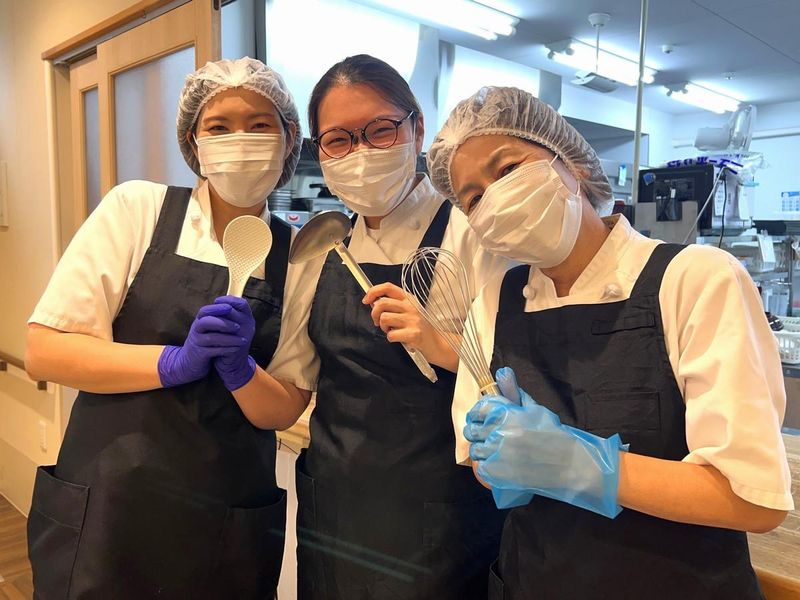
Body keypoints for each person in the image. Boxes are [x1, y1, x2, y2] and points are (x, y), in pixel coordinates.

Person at [426, 86, 794, 600]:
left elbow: (753, 499)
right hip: (534, 580)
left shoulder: (695, 279)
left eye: (507, 169)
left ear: (571, 164)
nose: (495, 199)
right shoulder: (493, 303)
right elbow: (482, 468)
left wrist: (579, 462)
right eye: (474, 198)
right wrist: (502, 453)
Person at [25, 58, 318, 599]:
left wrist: (241, 370)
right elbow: (46, 350)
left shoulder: (299, 257)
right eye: (219, 127)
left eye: (260, 125)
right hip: (111, 504)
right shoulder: (138, 209)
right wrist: (172, 362)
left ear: (288, 140)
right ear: (193, 142)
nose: (240, 141)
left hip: (224, 518)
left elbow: (282, 408)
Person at [292, 55, 508, 599]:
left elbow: (519, 375)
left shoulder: (471, 232)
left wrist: (442, 346)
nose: (360, 153)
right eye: (338, 140)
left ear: (417, 129)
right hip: (334, 505)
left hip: (437, 516)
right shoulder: (326, 245)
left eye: (380, 130)